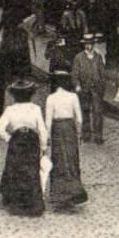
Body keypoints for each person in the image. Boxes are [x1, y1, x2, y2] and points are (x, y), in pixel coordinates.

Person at [0, 78, 47, 217]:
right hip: (31, 141)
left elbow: (0, 128)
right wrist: (43, 146)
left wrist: (10, 139)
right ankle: (32, 203)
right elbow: (42, 129)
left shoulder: (10, 110)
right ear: (30, 94)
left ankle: (16, 203)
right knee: (31, 170)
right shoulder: (35, 109)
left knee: (16, 169)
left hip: (17, 141)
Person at [44, 69, 87, 211]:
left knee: (59, 159)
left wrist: (47, 138)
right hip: (70, 129)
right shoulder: (73, 97)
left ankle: (59, 195)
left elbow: (48, 122)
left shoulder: (51, 98)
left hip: (57, 129)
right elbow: (79, 119)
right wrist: (79, 135)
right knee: (71, 159)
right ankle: (74, 193)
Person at [72, 33, 106, 144]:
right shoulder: (79, 57)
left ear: (93, 44)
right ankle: (86, 134)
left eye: (90, 44)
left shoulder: (98, 57)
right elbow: (75, 74)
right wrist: (77, 85)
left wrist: (102, 86)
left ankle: (98, 136)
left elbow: (102, 73)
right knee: (85, 111)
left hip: (96, 89)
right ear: (84, 44)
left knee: (97, 112)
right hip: (84, 89)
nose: (89, 46)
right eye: (87, 44)